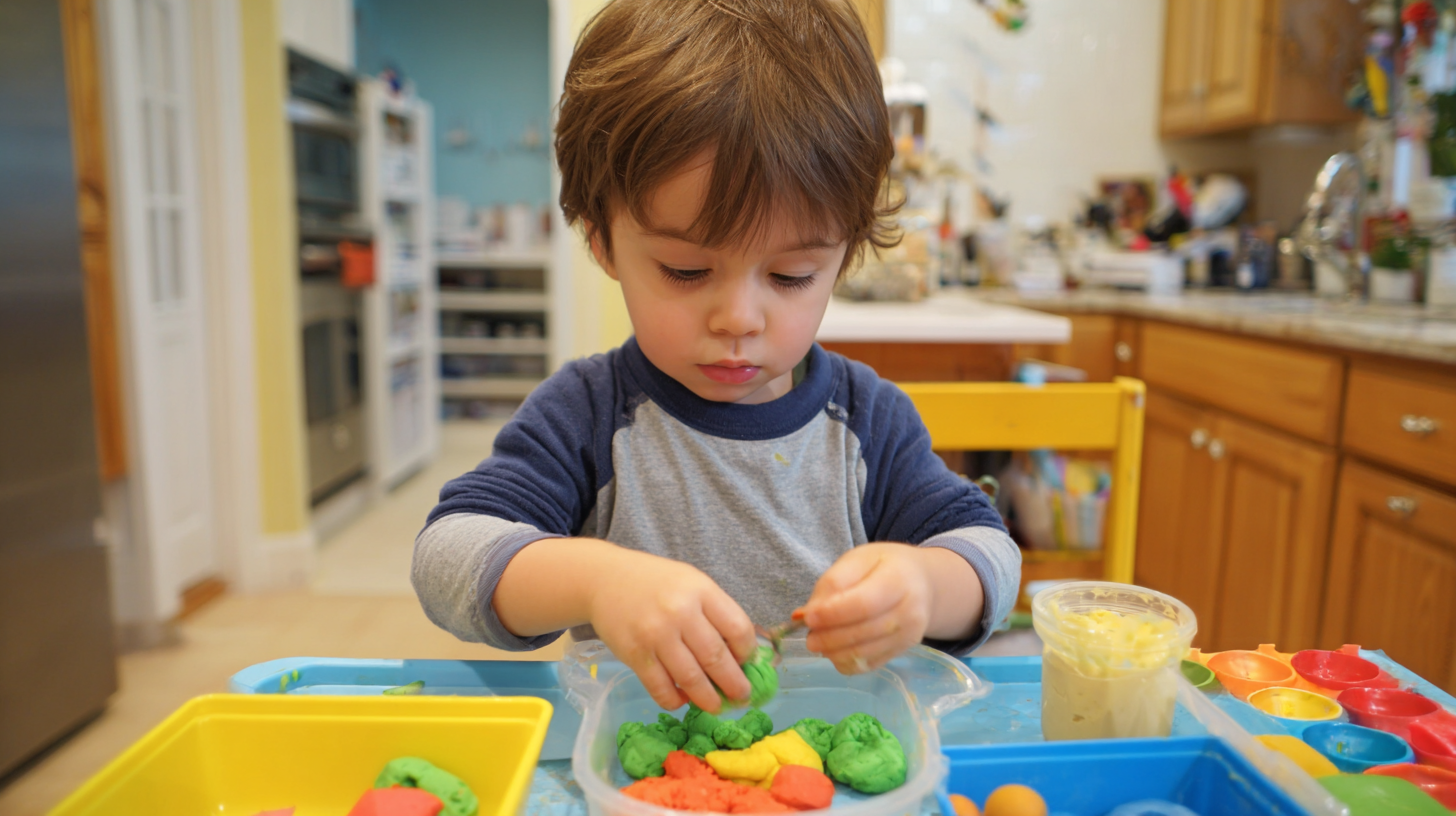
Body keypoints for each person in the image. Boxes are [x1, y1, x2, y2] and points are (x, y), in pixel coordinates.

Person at [413, 0, 1020, 714]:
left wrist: (924, 586)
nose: (738, 319)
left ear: (845, 255)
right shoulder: (588, 415)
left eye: (791, 276)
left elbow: (990, 554)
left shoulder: (868, 422)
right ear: (602, 241)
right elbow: (447, 555)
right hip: (644, 761)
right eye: (685, 270)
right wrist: (598, 582)